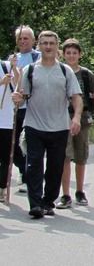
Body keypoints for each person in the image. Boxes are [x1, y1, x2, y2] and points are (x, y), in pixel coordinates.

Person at [12, 31, 82, 218]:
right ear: (39, 45)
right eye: (44, 43)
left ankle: (48, 201)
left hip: (59, 126)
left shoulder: (65, 71)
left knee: (55, 167)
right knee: (33, 164)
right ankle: (35, 204)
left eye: (51, 43)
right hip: (34, 124)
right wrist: (17, 98)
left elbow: (76, 97)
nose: (48, 47)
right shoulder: (30, 70)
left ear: (57, 45)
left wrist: (76, 118)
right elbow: (22, 95)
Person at [56, 39, 94, 209]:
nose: (71, 56)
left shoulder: (86, 74)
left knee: (81, 156)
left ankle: (79, 191)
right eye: (68, 53)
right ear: (63, 54)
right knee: (65, 157)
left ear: (80, 55)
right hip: (62, 118)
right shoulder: (58, 71)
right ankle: (66, 194)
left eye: (74, 53)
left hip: (82, 118)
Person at [10, 25, 41, 192]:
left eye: (26, 38)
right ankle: (23, 170)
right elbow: (14, 85)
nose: (23, 41)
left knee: (30, 142)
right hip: (18, 108)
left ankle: (31, 176)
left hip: (35, 106)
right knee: (15, 144)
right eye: (20, 39)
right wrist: (13, 68)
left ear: (33, 40)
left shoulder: (39, 56)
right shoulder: (12, 59)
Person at [0, 56, 19, 202]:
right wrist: (1, 82)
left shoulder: (5, 65)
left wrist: (14, 68)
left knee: (6, 157)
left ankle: (2, 187)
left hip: (5, 120)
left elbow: (19, 83)